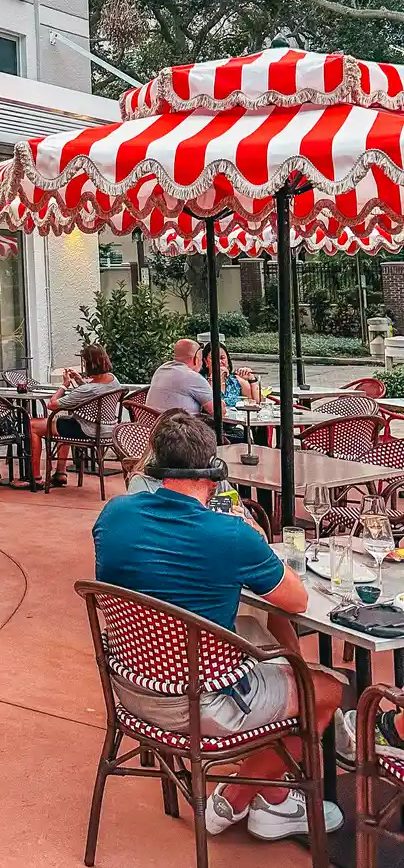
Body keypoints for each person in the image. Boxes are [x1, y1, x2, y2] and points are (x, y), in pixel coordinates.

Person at [93, 410, 344, 839]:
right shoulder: (229, 535)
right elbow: (296, 599)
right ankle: (241, 795)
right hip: (201, 703)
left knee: (261, 638)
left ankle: (276, 800)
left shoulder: (114, 515)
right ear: (214, 470)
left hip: (131, 690)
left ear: (153, 464)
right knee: (328, 688)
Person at [33, 343, 118, 487]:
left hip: (87, 430)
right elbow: (92, 389)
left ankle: (35, 478)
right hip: (107, 429)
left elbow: (52, 405)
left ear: (88, 364)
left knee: (33, 425)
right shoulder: (112, 379)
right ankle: (60, 473)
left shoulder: (87, 389)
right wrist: (79, 380)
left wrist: (64, 385)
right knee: (63, 423)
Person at [146, 337, 213, 416]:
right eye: (201, 359)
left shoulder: (161, 369)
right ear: (196, 359)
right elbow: (218, 411)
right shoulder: (192, 377)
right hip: (179, 427)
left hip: (152, 424)